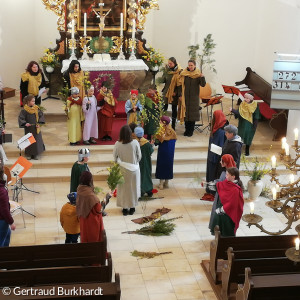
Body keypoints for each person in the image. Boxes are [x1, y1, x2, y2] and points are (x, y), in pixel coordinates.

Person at [113, 125, 141, 216]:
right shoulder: (135, 143)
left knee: (123, 189)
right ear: (130, 133)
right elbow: (139, 156)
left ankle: (125, 208)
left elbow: (115, 158)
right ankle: (132, 207)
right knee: (133, 188)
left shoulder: (117, 144)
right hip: (134, 170)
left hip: (123, 170)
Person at [209, 167, 244, 236]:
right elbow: (219, 185)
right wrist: (206, 184)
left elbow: (232, 204)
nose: (226, 176)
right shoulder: (227, 182)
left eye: (227, 175)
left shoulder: (236, 190)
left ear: (233, 177)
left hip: (228, 214)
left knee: (226, 232)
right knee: (218, 229)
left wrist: (221, 210)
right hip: (221, 210)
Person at [178, 59, 206, 137]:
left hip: (194, 98)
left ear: (194, 66)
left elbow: (203, 84)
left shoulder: (197, 74)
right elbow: (180, 85)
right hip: (185, 97)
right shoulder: (184, 73)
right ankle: (186, 130)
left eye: (191, 65)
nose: (190, 67)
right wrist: (180, 95)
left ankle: (190, 131)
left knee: (192, 116)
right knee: (186, 115)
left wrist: (202, 77)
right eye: (189, 65)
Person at [207, 154, 236, 225]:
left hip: (224, 198)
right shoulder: (226, 172)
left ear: (226, 162)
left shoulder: (229, 174)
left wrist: (209, 184)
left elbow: (222, 184)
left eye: (222, 161)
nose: (220, 162)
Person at [76, 171, 104, 242]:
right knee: (93, 239)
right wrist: (105, 200)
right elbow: (98, 209)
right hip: (91, 221)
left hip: (83, 218)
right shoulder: (91, 196)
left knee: (85, 236)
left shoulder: (79, 189)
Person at [18, 94, 45, 160]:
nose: (34, 102)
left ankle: (36, 154)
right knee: (29, 141)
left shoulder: (36, 109)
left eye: (34, 101)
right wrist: (25, 123)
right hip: (28, 128)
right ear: (28, 102)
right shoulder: (24, 110)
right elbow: (21, 118)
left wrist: (39, 123)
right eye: (32, 101)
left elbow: (41, 116)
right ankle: (29, 154)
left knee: (36, 140)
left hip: (36, 128)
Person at [206, 110, 229, 183]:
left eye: (213, 117)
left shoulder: (221, 131)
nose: (212, 119)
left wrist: (213, 157)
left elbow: (220, 146)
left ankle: (212, 189)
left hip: (215, 158)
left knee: (213, 174)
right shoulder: (217, 126)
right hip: (212, 155)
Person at [155, 116, 177, 190]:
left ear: (164, 123)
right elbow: (174, 140)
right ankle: (167, 183)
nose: (159, 122)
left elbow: (158, 140)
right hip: (170, 152)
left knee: (161, 165)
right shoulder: (172, 131)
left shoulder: (161, 131)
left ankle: (161, 184)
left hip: (163, 151)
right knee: (168, 165)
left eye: (160, 121)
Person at [161, 57, 182, 130]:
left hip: (174, 94)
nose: (169, 65)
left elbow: (179, 84)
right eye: (168, 63)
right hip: (166, 92)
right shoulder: (167, 70)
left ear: (175, 63)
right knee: (164, 108)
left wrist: (176, 92)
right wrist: (164, 72)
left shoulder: (179, 71)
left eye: (171, 63)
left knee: (174, 109)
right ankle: (163, 125)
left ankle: (173, 126)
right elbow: (163, 81)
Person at [134, 126, 154, 197]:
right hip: (146, 162)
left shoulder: (134, 143)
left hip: (137, 162)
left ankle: (140, 191)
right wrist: (152, 145)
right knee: (147, 174)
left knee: (139, 176)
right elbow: (151, 151)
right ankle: (149, 190)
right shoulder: (147, 143)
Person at [0, 166, 16, 247]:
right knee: (1, 242)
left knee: (7, 234)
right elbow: (4, 210)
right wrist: (11, 222)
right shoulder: (2, 191)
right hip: (2, 220)